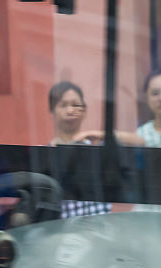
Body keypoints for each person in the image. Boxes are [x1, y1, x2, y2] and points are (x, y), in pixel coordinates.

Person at [44, 81, 111, 218]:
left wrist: (101, 134)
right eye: (63, 105)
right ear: (52, 111)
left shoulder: (98, 148)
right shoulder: (44, 155)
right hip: (61, 232)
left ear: (84, 111)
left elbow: (141, 142)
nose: (70, 110)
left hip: (100, 229)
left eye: (75, 105)